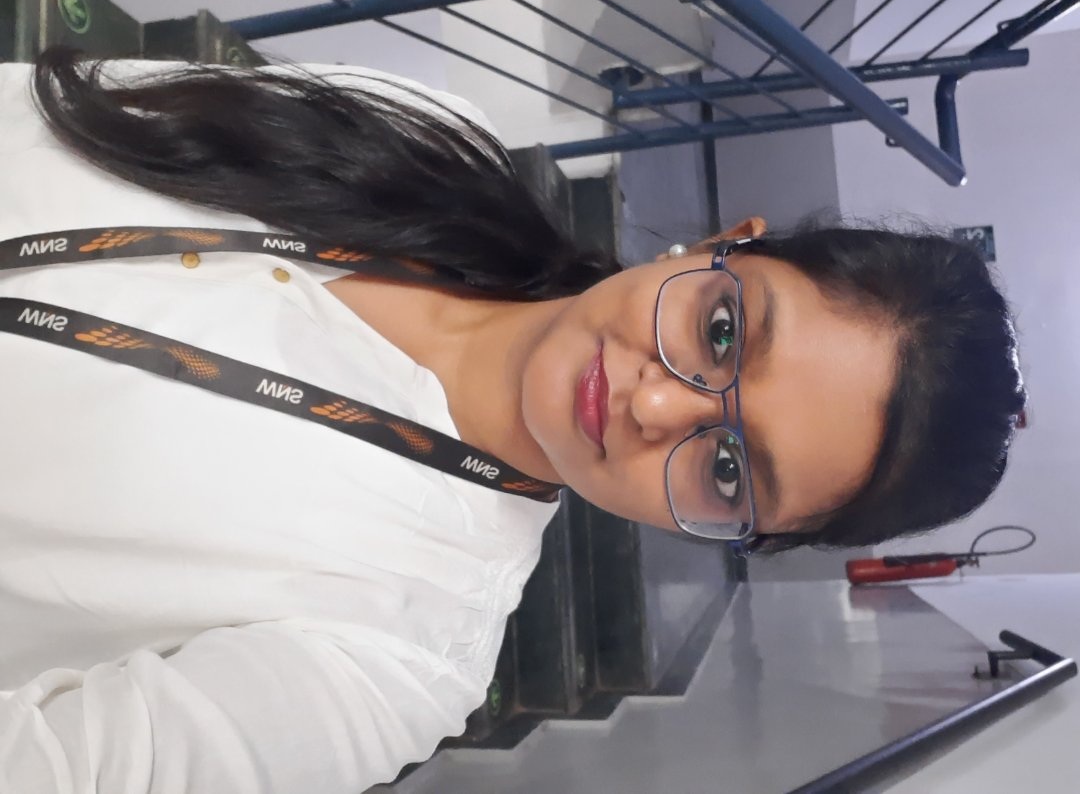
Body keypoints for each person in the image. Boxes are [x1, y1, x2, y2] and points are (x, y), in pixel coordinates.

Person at [0, 48, 1025, 793]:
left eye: (727, 468)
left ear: (732, 536)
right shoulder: (416, 134)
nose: (652, 404)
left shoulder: (394, 661)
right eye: (721, 332)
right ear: (724, 240)